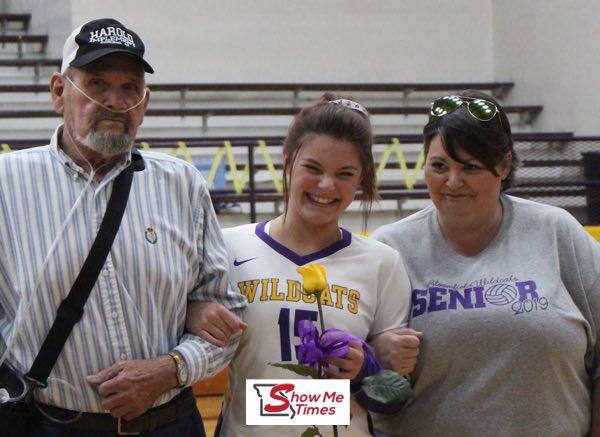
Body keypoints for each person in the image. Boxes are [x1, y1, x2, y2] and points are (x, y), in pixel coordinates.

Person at [0, 18, 246, 436]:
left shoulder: (183, 184)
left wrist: (169, 370)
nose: (116, 101)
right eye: (96, 84)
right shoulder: (6, 185)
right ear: (60, 91)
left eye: (129, 87)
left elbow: (228, 320)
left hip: (170, 422)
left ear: (144, 102)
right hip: (48, 425)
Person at [371, 91, 600, 436]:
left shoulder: (557, 232)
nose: (452, 182)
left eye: (470, 167)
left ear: (504, 165)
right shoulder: (390, 248)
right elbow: (345, 374)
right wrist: (374, 355)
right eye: (439, 166)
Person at [186, 93, 416, 436]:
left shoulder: (382, 262)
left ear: (361, 178)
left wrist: (363, 371)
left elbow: (393, 400)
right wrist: (191, 313)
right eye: (313, 168)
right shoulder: (228, 245)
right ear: (288, 160)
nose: (326, 185)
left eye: (345, 173)